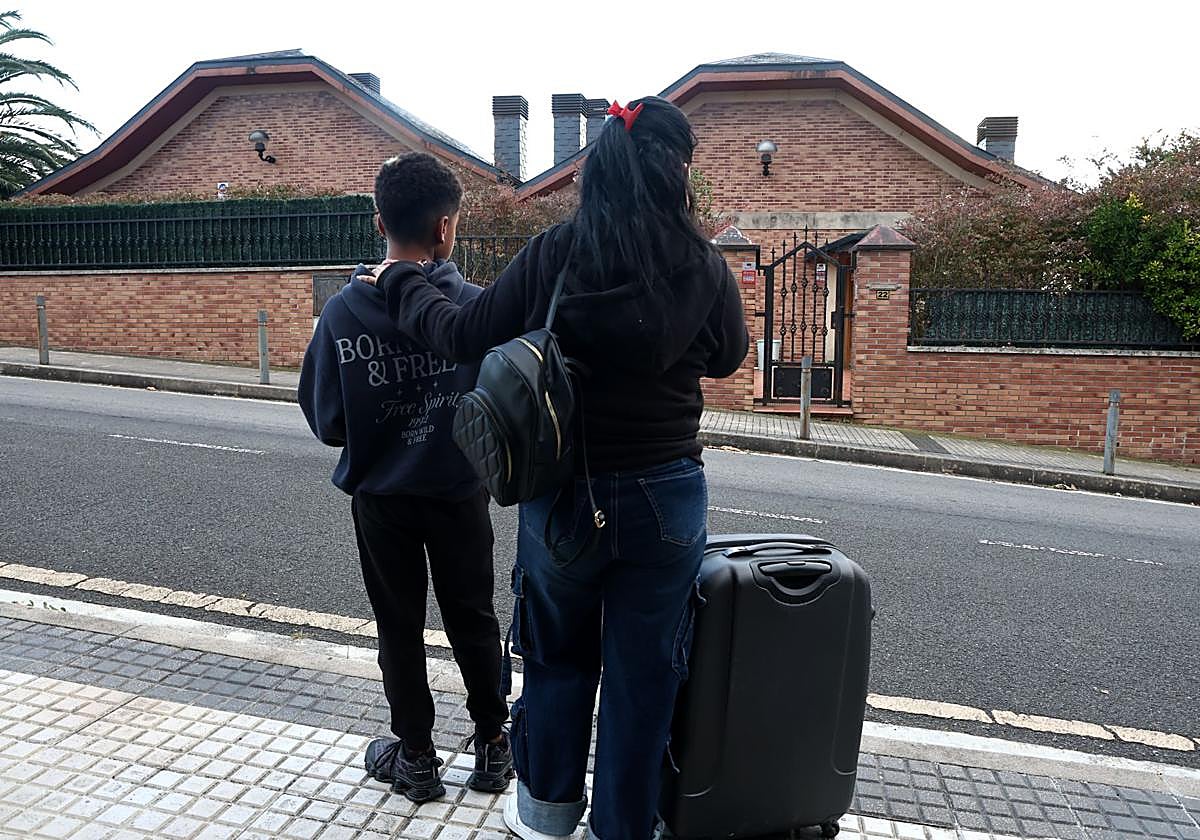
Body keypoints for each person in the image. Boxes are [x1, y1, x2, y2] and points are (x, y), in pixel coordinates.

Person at [365, 97, 748, 840]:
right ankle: (624, 828)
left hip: (566, 494)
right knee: (645, 679)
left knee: (558, 661)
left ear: (598, 170)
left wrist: (402, 277)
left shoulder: (556, 254)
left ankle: (544, 816)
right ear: (680, 172)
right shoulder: (703, 264)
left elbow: (462, 333)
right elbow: (729, 355)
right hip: (668, 497)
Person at [298, 152, 512, 803]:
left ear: (378, 221)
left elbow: (326, 417)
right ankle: (495, 750)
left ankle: (416, 759)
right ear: (446, 228)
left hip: (383, 499)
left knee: (399, 627)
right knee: (473, 619)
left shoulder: (341, 313)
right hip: (457, 491)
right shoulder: (473, 308)